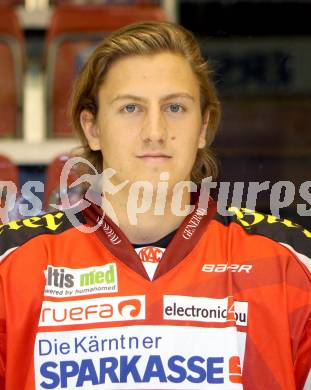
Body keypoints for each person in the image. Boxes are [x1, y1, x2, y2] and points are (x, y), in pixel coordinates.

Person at [0, 21, 310, 390]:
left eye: (175, 107)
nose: (155, 131)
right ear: (92, 128)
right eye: (131, 107)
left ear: (203, 126)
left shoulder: (290, 263)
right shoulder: (12, 266)